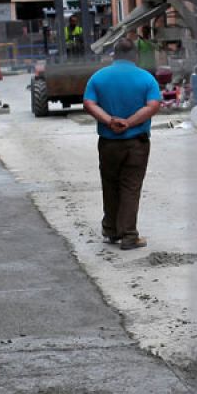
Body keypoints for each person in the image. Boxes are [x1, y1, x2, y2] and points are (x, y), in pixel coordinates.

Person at [83, 39, 162, 249]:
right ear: (135, 56)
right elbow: (153, 105)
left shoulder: (98, 78)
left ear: (114, 55)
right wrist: (130, 122)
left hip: (108, 143)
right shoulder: (146, 78)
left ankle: (111, 230)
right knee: (130, 187)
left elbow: (89, 103)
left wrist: (110, 120)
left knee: (110, 185)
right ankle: (128, 235)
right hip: (136, 143)